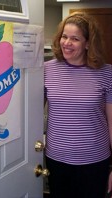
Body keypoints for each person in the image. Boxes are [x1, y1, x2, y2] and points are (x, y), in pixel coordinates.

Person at [44, 11, 112, 198]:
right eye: (64, 36)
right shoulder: (46, 70)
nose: (66, 43)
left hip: (95, 160)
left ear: (88, 43)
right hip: (57, 159)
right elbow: (30, 115)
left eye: (75, 39)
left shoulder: (107, 73)